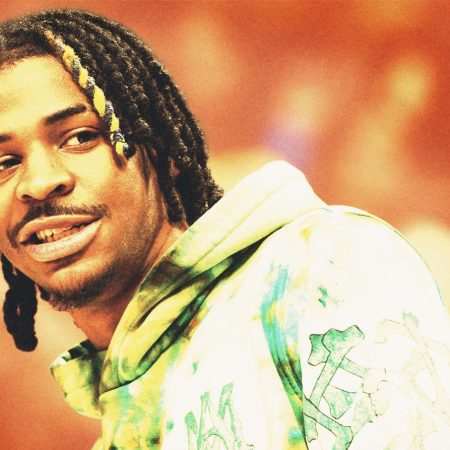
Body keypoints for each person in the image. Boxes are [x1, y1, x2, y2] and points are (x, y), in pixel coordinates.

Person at [0, 9, 449, 450]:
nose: (39, 183)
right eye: (4, 162)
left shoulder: (322, 268)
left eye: (80, 137)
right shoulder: (122, 412)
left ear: (161, 150)